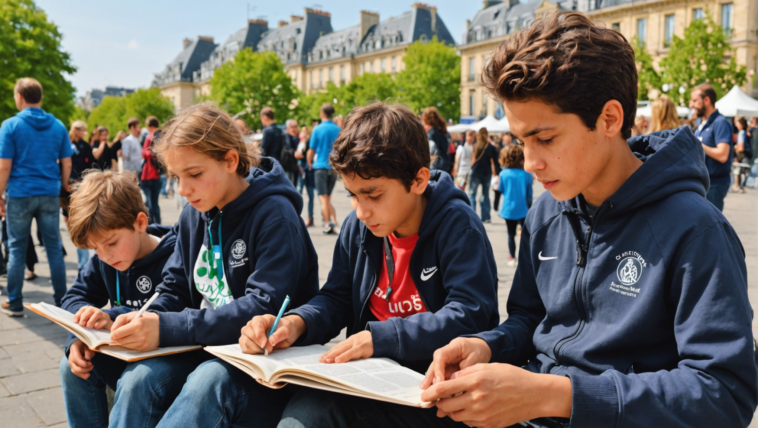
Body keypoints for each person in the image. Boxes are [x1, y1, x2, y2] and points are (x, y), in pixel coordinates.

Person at [413, 12, 758, 428]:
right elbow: (531, 319)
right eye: (521, 141)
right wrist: (487, 345)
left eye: (545, 138)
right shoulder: (544, 211)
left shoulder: (697, 231)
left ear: (610, 119)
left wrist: (559, 395)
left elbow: (725, 394)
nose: (532, 162)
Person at [240, 102, 499, 428]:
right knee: (296, 409)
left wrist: (380, 337)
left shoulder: (458, 226)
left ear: (418, 180)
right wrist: (297, 323)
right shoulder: (358, 226)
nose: (361, 211)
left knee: (313, 413)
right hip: (365, 380)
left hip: (433, 391)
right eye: (352, 195)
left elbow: (471, 313)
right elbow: (336, 298)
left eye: (373, 195)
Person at [105, 103, 319, 428]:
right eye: (176, 176)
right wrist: (128, 318)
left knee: (206, 382)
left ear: (230, 160)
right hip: (206, 344)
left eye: (194, 174)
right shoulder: (195, 212)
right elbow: (174, 288)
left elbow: (264, 305)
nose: (182, 190)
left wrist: (166, 328)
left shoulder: (275, 215)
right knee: (137, 379)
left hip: (262, 361)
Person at [58, 170, 177, 428]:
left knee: (137, 381)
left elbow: (178, 307)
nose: (104, 256)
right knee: (73, 365)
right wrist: (79, 334)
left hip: (170, 359)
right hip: (125, 353)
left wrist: (110, 317)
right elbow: (75, 297)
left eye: (111, 243)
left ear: (141, 223)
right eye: (95, 249)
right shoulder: (106, 258)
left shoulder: (176, 255)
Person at [0, 78, 71, 315]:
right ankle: (62, 300)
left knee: (17, 248)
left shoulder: (10, 125)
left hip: (20, 193)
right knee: (53, 247)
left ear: (20, 97)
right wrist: (63, 186)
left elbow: (4, 167)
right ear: (40, 97)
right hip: (49, 192)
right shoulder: (59, 126)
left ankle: (15, 300)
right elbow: (66, 161)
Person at [690, 83, 734, 211]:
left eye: (694, 101)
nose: (691, 105)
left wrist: (698, 144)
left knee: (710, 227)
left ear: (707, 100)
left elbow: (722, 155)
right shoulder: (701, 123)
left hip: (714, 184)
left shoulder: (720, 122)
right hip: (703, 183)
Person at [497, 144, 532, 266]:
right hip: (523, 208)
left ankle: (512, 257)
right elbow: (529, 194)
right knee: (526, 235)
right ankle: (525, 257)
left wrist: (496, 206)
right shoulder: (527, 174)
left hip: (508, 209)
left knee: (510, 234)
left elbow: (500, 189)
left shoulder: (503, 174)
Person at [308, 103, 340, 234]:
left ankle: (327, 224)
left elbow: (311, 149)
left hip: (320, 166)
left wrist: (309, 163)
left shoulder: (317, 129)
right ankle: (335, 222)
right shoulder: (338, 129)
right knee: (327, 199)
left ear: (322, 114)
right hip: (332, 167)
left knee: (323, 199)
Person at [67, 121, 95, 270]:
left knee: (81, 224)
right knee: (70, 224)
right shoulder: (65, 142)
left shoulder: (85, 146)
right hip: (65, 189)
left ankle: (83, 263)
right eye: (80, 130)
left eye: (84, 130)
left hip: (81, 188)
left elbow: (91, 165)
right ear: (74, 129)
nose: (83, 132)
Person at [468, 128, 497, 223]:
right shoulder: (491, 147)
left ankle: (473, 217)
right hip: (486, 173)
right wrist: (495, 173)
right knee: (485, 195)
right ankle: (486, 217)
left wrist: (468, 170)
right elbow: (494, 162)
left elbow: (473, 160)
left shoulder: (475, 146)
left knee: (472, 194)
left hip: (475, 172)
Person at [141, 116, 162, 224]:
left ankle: (152, 225)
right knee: (155, 203)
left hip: (148, 174)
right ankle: (158, 224)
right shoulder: (161, 136)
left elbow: (144, 153)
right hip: (157, 174)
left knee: (148, 204)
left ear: (149, 125)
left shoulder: (149, 137)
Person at [422, 107, 452, 173]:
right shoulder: (441, 131)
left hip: (436, 165)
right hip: (444, 163)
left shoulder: (431, 132)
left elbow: (431, 150)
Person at [295, 127, 314, 226]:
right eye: (303, 133)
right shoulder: (300, 142)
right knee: (299, 193)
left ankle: (310, 218)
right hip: (302, 170)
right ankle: (296, 217)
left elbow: (302, 155)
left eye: (306, 133)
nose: (304, 135)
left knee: (310, 195)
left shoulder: (309, 142)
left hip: (308, 171)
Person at [732, 117, 748, 193]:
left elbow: (741, 148)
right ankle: (740, 186)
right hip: (743, 156)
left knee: (737, 171)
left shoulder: (741, 133)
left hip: (740, 155)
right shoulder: (744, 132)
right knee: (741, 171)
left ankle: (737, 186)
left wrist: (735, 148)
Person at [283, 119, 301, 186]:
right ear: (288, 128)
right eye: (293, 126)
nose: (295, 128)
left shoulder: (296, 137)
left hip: (294, 167)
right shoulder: (285, 136)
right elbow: (287, 150)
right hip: (288, 167)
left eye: (296, 126)